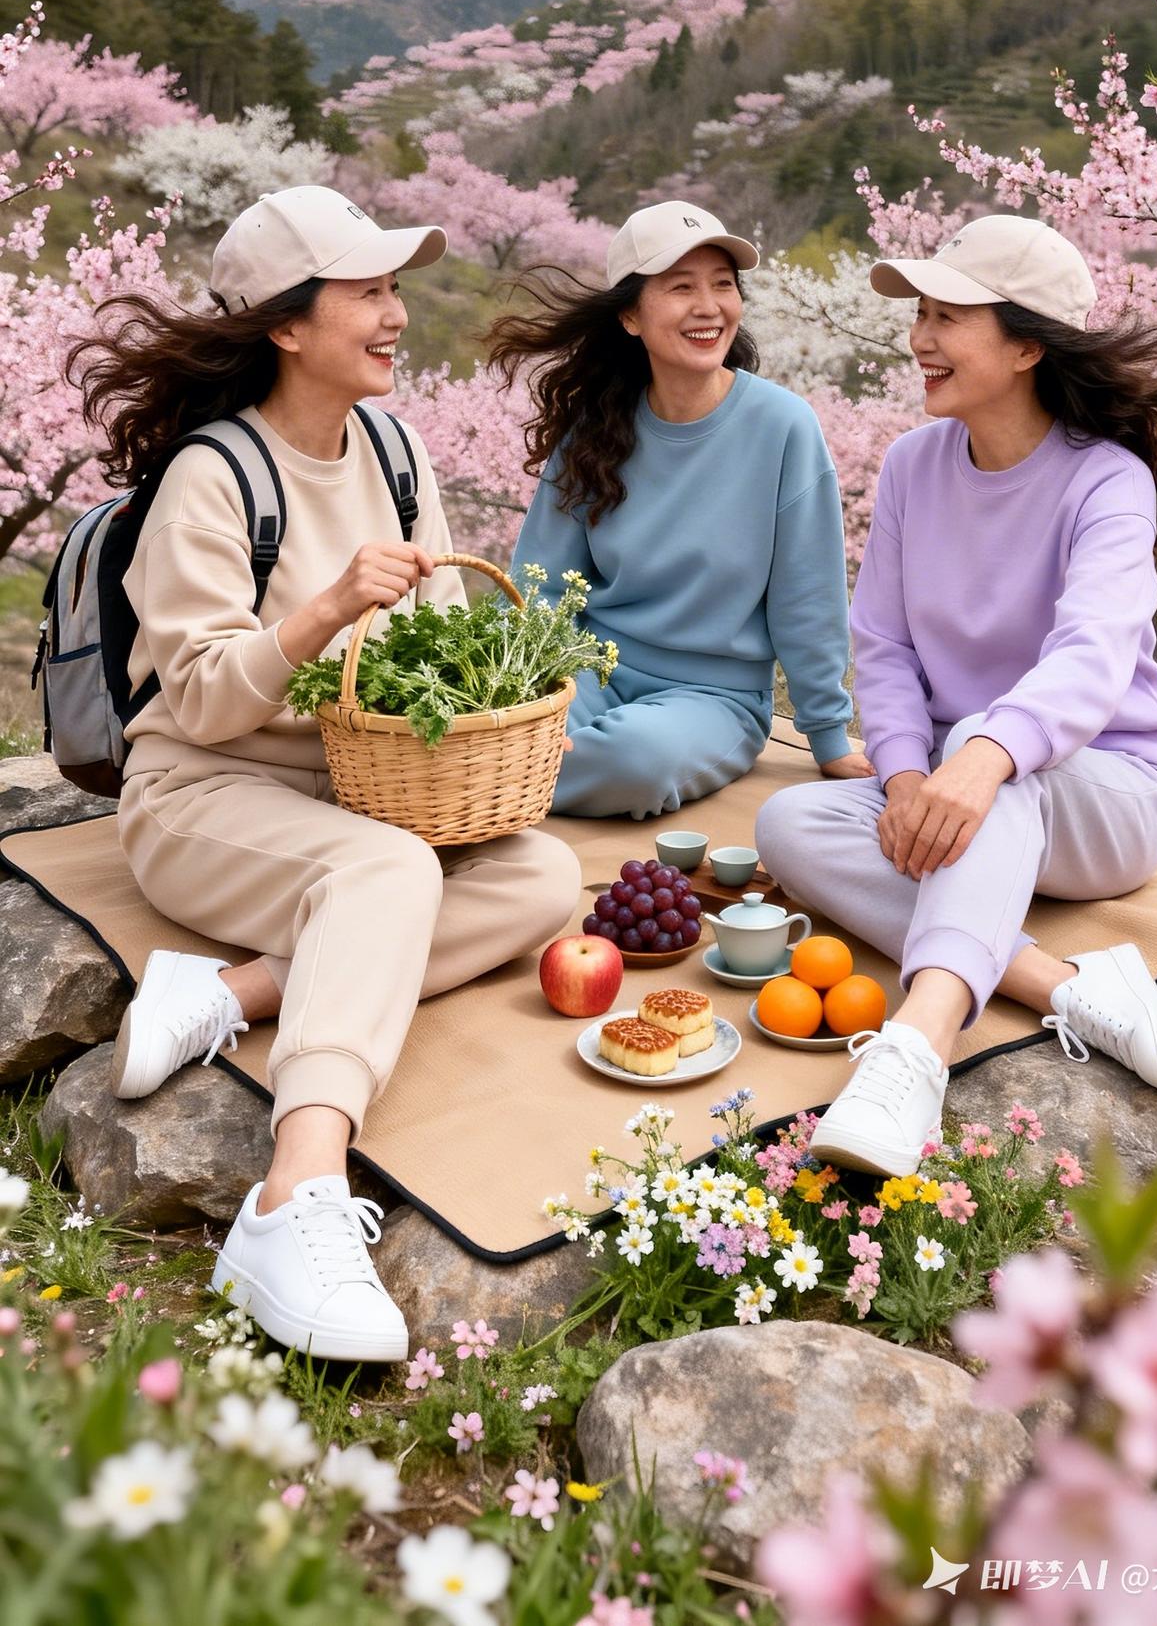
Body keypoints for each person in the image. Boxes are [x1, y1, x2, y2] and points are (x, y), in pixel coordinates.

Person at [71, 187, 581, 1362]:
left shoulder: (395, 452)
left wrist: (491, 690)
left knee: (544, 876)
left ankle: (232, 993)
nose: (397, 313)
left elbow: (444, 633)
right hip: (204, 797)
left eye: (394, 287)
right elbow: (194, 697)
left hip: (355, 793)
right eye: (369, 291)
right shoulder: (213, 477)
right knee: (391, 874)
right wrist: (327, 609)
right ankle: (292, 1193)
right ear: (287, 325)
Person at [756, 213, 1157, 1179]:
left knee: (991, 737)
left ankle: (916, 1049)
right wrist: (899, 777)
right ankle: (1058, 983)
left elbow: (1093, 656)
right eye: (920, 313)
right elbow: (882, 648)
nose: (918, 338)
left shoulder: (1108, 481)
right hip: (954, 786)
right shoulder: (909, 465)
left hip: (1111, 797)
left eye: (945, 316)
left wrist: (980, 754)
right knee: (788, 822)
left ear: (1024, 344)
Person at [489, 199, 867, 819]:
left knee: (632, 764)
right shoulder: (595, 427)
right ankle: (514, 768)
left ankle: (505, 780)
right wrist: (513, 689)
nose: (708, 306)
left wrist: (827, 733)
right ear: (632, 316)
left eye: (723, 285)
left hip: (712, 697)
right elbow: (544, 585)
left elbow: (808, 597)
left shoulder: (782, 427)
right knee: (488, 727)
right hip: (585, 674)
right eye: (680, 287)